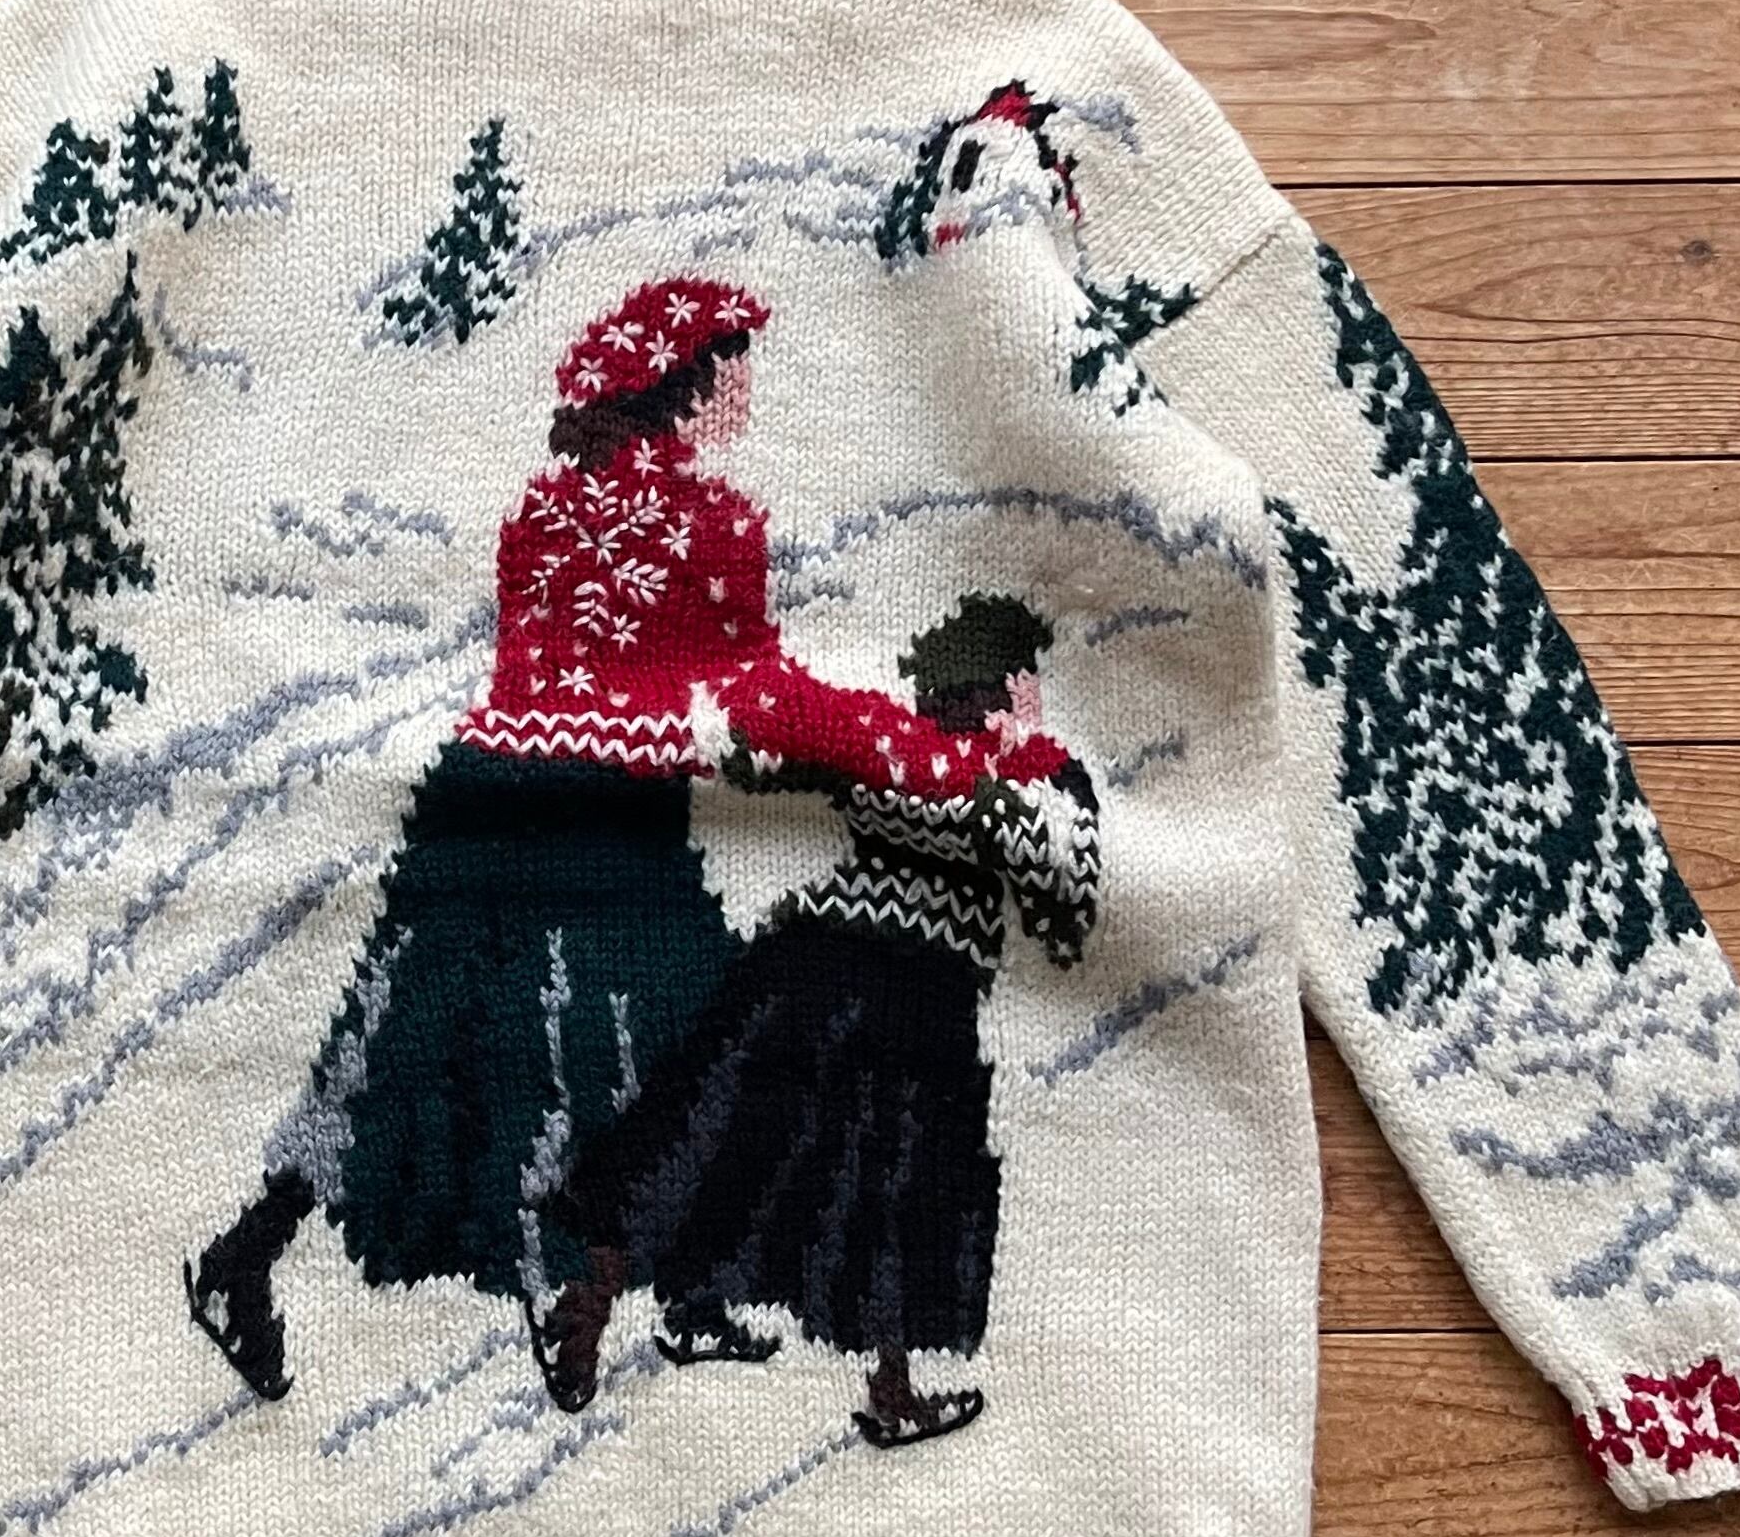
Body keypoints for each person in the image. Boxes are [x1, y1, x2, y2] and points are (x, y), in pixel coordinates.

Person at [186, 277, 1024, 1400]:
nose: (746, 389)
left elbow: (562, 673)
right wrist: (916, 753)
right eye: (734, 368)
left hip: (488, 792)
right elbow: (762, 695)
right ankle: (617, 1290)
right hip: (611, 810)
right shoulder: (710, 526)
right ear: (689, 385)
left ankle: (259, 1256)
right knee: (680, 1047)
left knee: (406, 1049)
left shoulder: (542, 511)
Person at [532, 594, 1100, 1448]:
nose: (1007, 702)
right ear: (1002, 688)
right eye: (1002, 686)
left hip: (833, 969)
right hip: (894, 993)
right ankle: (878, 1384)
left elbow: (1064, 890)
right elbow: (1062, 897)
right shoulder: (993, 773)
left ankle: (605, 1311)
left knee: (731, 1139)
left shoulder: (922, 753)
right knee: (879, 1182)